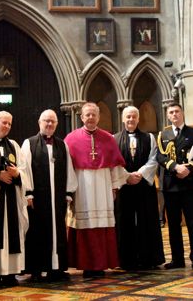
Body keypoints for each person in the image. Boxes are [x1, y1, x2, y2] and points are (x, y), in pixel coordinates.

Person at [64, 102, 129, 277]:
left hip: (103, 187)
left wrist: (115, 186)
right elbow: (67, 168)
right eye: (87, 114)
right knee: (84, 224)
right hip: (82, 187)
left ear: (98, 117)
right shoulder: (70, 139)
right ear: (81, 117)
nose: (91, 117)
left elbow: (115, 165)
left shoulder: (108, 138)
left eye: (94, 114)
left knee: (102, 223)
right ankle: (85, 264)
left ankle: (102, 264)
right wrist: (70, 191)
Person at [22, 109, 78, 282]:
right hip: (38, 198)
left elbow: (69, 168)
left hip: (58, 197)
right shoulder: (29, 143)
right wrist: (28, 193)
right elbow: (25, 169)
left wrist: (68, 193)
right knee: (38, 231)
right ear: (39, 122)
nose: (49, 124)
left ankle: (57, 268)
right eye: (46, 121)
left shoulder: (62, 145)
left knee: (58, 231)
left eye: (52, 121)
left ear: (56, 124)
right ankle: (37, 269)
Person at [113, 106, 165, 270]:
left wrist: (140, 174)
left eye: (134, 117)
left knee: (146, 219)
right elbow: (113, 162)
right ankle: (125, 260)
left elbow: (154, 159)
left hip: (143, 185)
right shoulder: (114, 139)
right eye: (128, 117)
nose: (131, 120)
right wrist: (126, 176)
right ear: (123, 119)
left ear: (138, 118)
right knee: (124, 221)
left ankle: (148, 258)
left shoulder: (149, 138)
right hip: (125, 185)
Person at [157, 101, 193, 270]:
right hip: (171, 186)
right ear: (168, 115)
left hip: (190, 184)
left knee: (192, 223)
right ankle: (177, 259)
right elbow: (160, 157)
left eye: (177, 111)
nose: (174, 115)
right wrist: (175, 167)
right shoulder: (164, 134)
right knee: (174, 224)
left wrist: (189, 168)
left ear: (182, 113)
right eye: (171, 112)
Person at [0, 111, 29, 287]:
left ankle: (10, 273)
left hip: (12, 196)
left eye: (9, 124)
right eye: (4, 122)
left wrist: (17, 174)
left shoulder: (14, 145)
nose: (6, 126)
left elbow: (24, 171)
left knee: (12, 233)